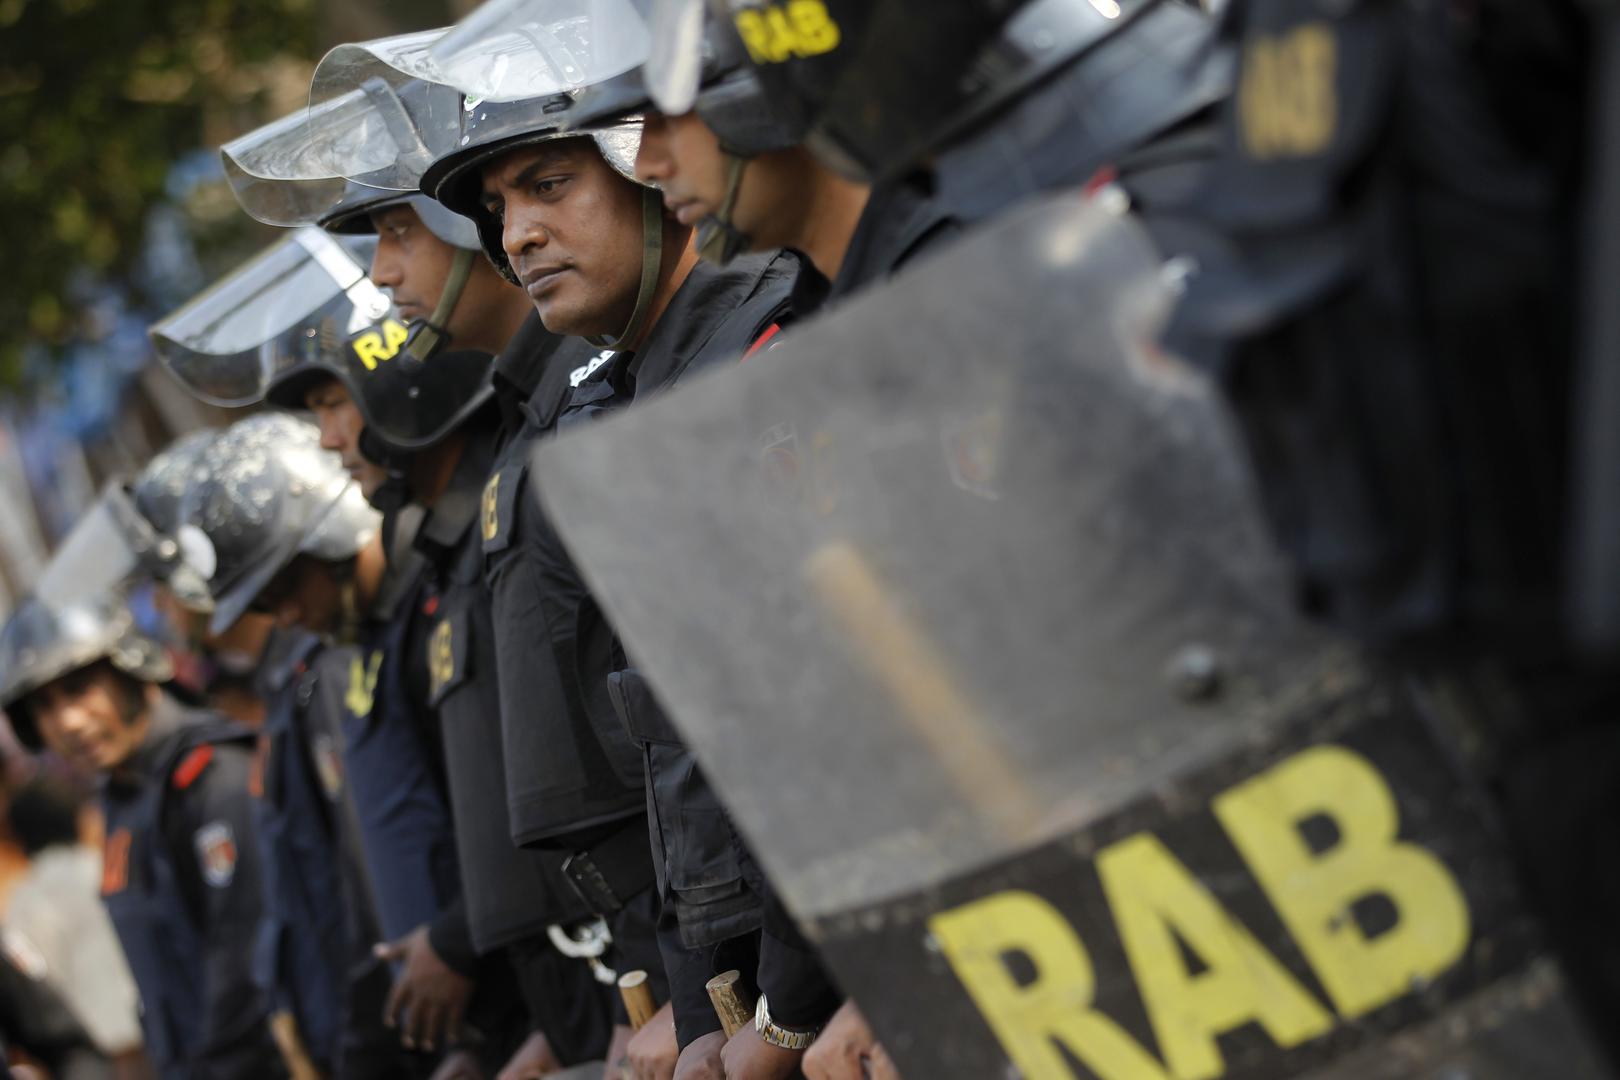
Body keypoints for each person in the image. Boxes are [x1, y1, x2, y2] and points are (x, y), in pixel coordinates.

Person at [0, 589, 283, 1079]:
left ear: (130, 669)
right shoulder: (123, 800)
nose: (67, 722)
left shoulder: (212, 777)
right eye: (43, 707)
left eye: (80, 689)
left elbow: (247, 968)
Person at [4, 777, 145, 1077]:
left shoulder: (27, 900)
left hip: (95, 1054)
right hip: (151, 1034)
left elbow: (39, 987)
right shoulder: (106, 868)